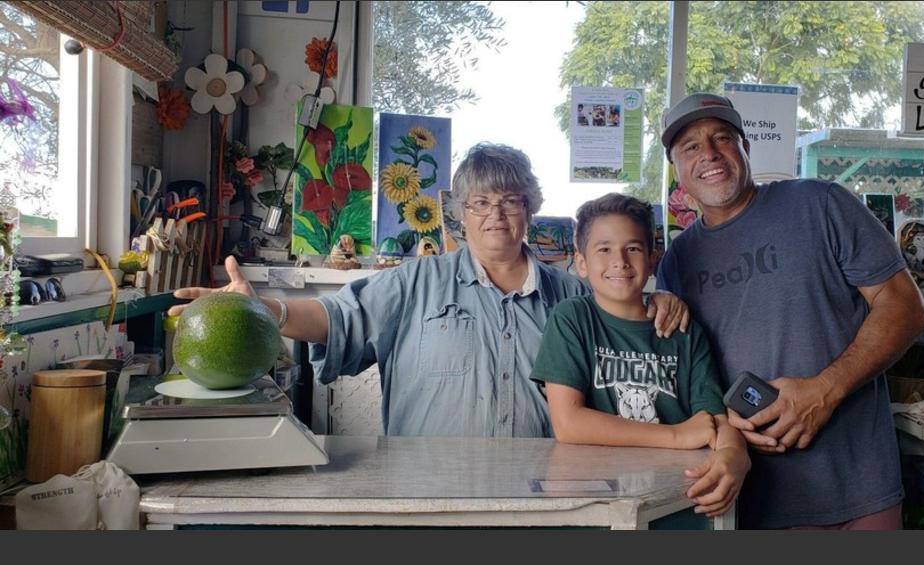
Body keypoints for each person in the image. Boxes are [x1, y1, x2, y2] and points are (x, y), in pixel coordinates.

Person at [170, 142, 689, 437]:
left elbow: (624, 338)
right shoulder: (413, 284)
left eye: (510, 201)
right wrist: (262, 309)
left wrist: (655, 301)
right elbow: (336, 319)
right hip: (427, 489)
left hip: (545, 490)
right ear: (460, 214)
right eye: (481, 204)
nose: (496, 216)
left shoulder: (571, 300)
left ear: (529, 209)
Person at [656, 92, 924, 529]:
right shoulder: (676, 261)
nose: (708, 154)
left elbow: (906, 308)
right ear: (677, 170)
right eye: (690, 146)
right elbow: (683, 374)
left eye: (722, 137)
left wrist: (826, 389)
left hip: (858, 489)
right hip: (751, 501)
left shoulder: (820, 204)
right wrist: (721, 423)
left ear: (745, 147)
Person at [531, 193, 749, 518]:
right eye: (604, 249)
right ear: (581, 263)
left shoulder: (684, 331)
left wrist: (736, 457)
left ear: (652, 258)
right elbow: (569, 423)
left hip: (675, 498)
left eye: (632, 248)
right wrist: (676, 435)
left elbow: (714, 421)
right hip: (591, 501)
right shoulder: (572, 318)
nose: (619, 260)